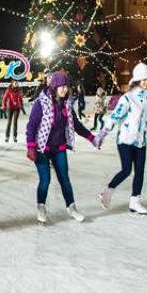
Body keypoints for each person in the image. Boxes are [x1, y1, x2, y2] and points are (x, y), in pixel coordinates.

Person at [26, 71, 98, 224]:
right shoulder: (41, 103)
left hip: (59, 147)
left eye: (66, 86)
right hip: (42, 148)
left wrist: (91, 137)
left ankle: (72, 208)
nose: (64, 89)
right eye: (61, 86)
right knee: (45, 180)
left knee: (65, 179)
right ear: (54, 86)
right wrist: (31, 146)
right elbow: (31, 126)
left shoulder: (66, 104)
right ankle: (41, 207)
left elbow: (76, 125)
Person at [94, 63, 147, 216]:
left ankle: (135, 201)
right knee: (127, 170)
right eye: (143, 79)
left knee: (140, 171)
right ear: (136, 80)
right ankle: (108, 192)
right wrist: (103, 133)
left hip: (140, 140)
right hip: (125, 139)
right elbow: (115, 116)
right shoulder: (128, 98)